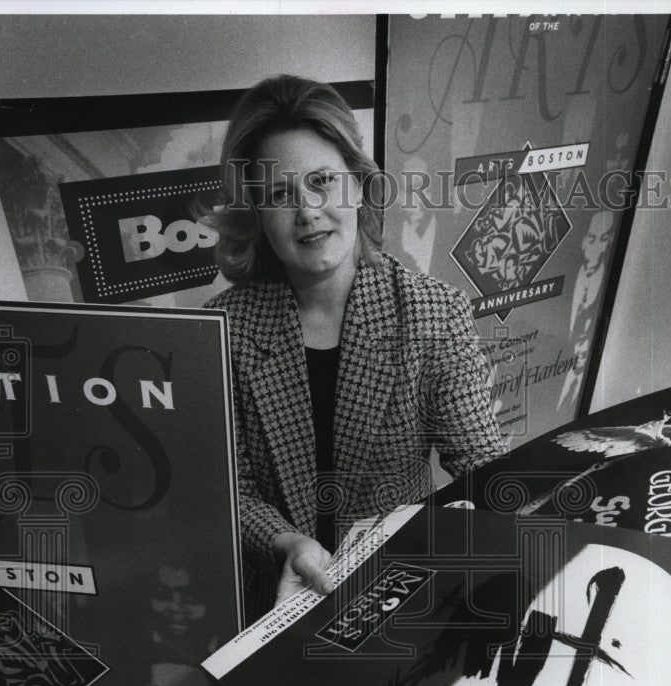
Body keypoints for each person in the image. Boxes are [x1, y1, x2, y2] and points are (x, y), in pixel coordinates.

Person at [207, 75, 505, 622]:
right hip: (272, 599)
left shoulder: (433, 313)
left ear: (358, 184)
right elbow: (227, 487)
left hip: (402, 591)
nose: (307, 211)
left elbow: (481, 465)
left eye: (322, 181)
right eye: (279, 194)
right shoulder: (222, 328)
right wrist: (286, 543)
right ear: (254, 213)